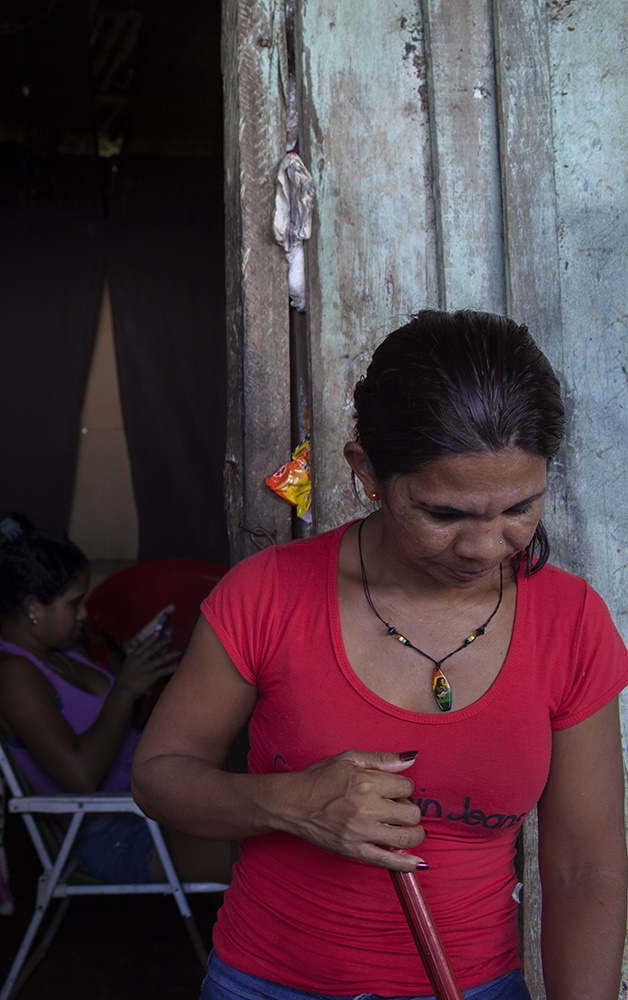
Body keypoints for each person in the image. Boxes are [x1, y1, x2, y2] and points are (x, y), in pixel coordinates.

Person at [133, 309, 628, 998]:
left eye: (520, 508)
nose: (486, 547)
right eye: (444, 514)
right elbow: (159, 778)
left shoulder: (571, 622)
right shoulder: (268, 593)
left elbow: (585, 870)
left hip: (477, 986)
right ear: (367, 471)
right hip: (265, 983)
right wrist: (289, 801)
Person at [0, 513, 225, 885]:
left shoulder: (64, 651)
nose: (84, 614)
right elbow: (81, 775)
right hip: (114, 828)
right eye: (73, 603)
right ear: (34, 608)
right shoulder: (13, 675)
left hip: (153, 798)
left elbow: (122, 727)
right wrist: (124, 689)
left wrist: (136, 676)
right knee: (261, 856)